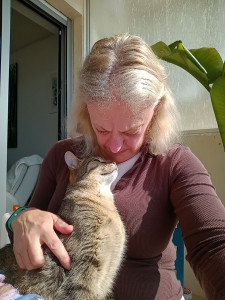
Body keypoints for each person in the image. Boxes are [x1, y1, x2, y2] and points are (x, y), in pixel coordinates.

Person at [7, 33, 225, 300]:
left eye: (132, 130)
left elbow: (213, 243)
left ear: (155, 112)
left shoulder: (175, 163)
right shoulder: (61, 155)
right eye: (102, 128)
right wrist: (19, 218)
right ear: (86, 110)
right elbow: (28, 220)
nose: (115, 146)